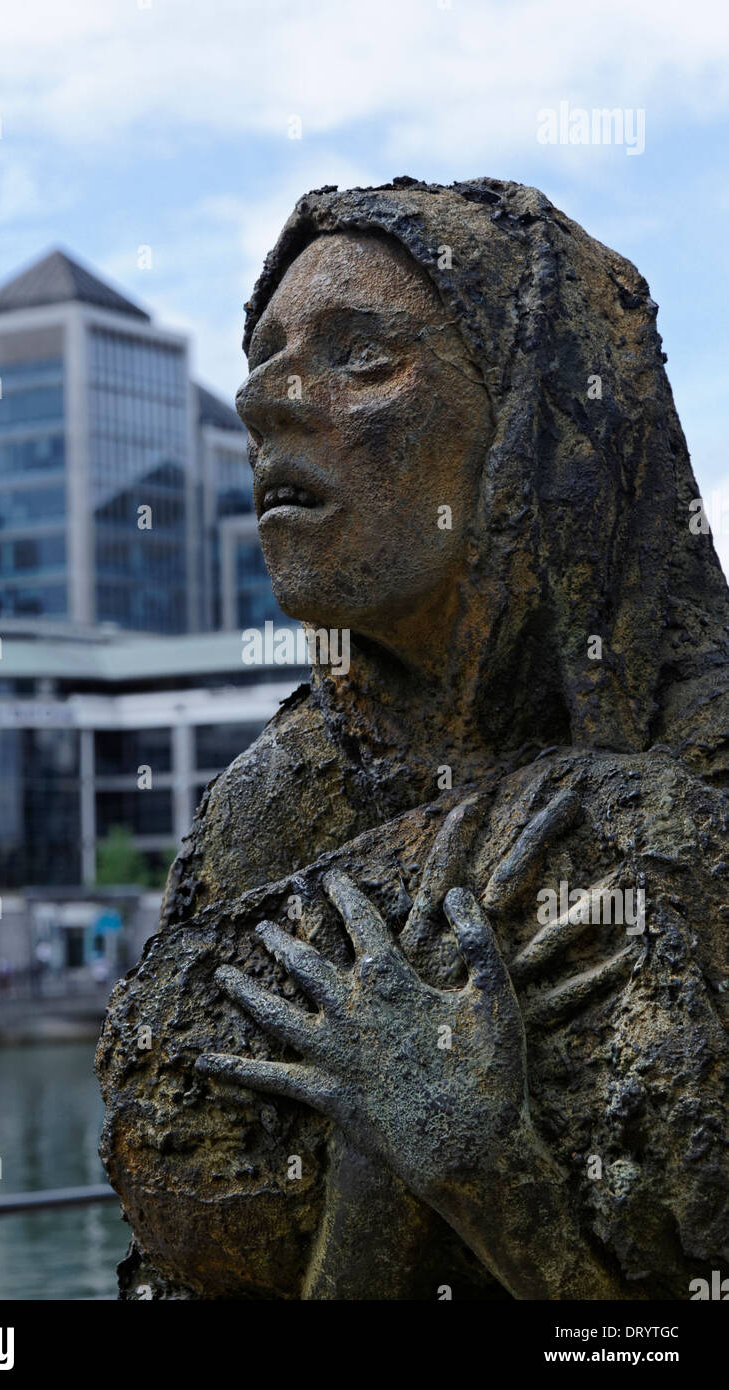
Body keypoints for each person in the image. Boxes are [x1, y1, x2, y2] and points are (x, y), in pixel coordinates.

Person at [98, 178, 729, 1299]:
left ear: (534, 432)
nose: (261, 402)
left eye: (358, 354)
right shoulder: (267, 808)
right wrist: (380, 1182)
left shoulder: (695, 786)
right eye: (265, 354)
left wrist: (487, 1175)